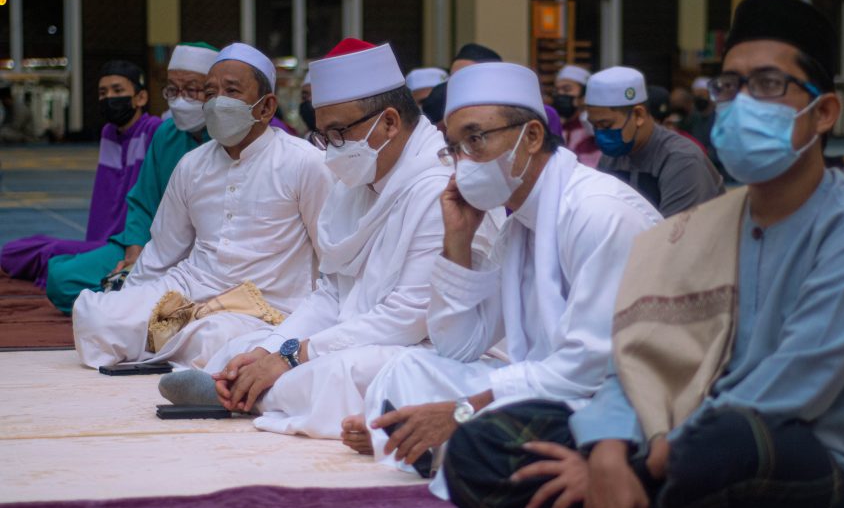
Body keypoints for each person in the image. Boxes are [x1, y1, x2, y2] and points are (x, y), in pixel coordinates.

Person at [442, 0, 844, 508]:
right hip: (669, 444)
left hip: (798, 465)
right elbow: (638, 356)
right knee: (480, 447)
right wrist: (606, 449)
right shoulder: (701, 228)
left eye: (768, 85)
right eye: (730, 86)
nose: (742, 102)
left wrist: (632, 463)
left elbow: (786, 392)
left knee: (729, 444)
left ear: (823, 113)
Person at [161, 39, 501, 439]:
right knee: (246, 347)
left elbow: (408, 316)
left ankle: (248, 394)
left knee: (339, 372)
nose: (331, 151)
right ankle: (248, 386)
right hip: (362, 333)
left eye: (339, 133)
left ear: (389, 122)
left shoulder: (438, 187)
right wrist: (272, 349)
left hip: (433, 347)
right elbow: (331, 292)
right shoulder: (356, 180)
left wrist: (292, 357)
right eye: (324, 136)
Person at [346, 61, 661, 481]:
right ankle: (424, 442)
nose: (462, 162)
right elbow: (457, 347)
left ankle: (441, 446)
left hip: (613, 405)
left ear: (532, 136)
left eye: (475, 139)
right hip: (549, 389)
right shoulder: (518, 228)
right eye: (454, 147)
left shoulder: (598, 213)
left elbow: (588, 368)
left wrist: (463, 411)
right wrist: (457, 240)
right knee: (409, 367)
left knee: (485, 433)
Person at [72, 42, 332, 369]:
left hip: (265, 304)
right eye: (210, 93)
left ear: (266, 107)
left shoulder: (305, 162)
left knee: (216, 338)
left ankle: (177, 344)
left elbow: (331, 257)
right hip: (189, 290)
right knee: (96, 316)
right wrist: (131, 302)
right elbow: (162, 252)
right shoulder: (192, 165)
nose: (217, 101)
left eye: (231, 91)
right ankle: (181, 346)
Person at [42, 43, 219, 314]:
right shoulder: (166, 134)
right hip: (155, 247)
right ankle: (144, 300)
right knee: (62, 280)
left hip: (207, 256)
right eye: (173, 90)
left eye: (191, 90)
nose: (180, 99)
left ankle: (135, 302)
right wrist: (134, 256)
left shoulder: (230, 139)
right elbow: (143, 203)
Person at [1, 61, 161, 290]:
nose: (109, 98)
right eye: (103, 93)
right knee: (17, 249)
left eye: (117, 90)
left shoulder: (155, 130)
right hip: (104, 242)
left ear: (141, 98)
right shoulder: (109, 133)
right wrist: (93, 246)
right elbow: (105, 199)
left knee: (51, 257)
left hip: (131, 243)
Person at [587, 67, 723, 217]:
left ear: (638, 115)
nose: (600, 134)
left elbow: (676, 229)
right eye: (595, 126)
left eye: (606, 125)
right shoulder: (611, 157)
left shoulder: (681, 159)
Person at [551, 65, 600, 167]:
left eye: (566, 89)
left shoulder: (593, 129)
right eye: (557, 91)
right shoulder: (554, 127)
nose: (560, 94)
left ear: (584, 95)